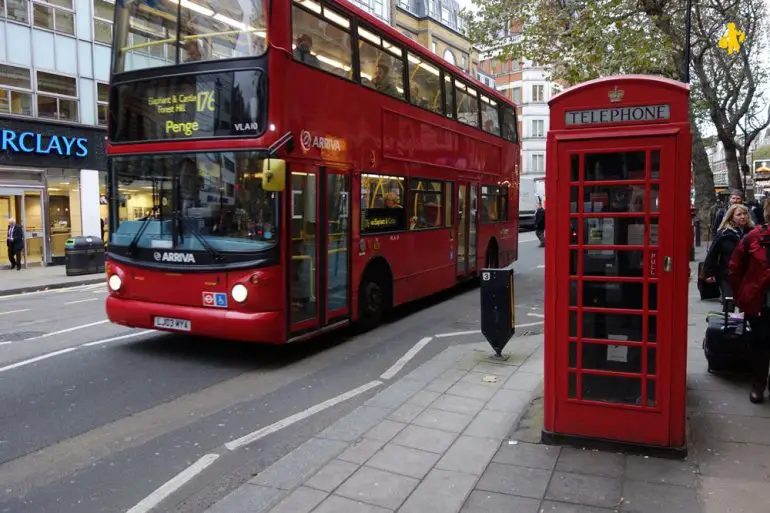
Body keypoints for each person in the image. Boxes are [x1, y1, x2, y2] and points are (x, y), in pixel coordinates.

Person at [728, 199, 770, 403]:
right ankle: (759, 383)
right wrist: (741, 295)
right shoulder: (753, 238)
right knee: (760, 342)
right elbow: (735, 268)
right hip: (759, 300)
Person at [704, 203, 753, 299]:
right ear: (731, 217)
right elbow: (712, 254)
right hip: (727, 274)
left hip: (747, 274)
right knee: (729, 301)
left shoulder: (753, 232)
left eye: (745, 214)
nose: (743, 217)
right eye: (739, 215)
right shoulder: (724, 234)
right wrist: (709, 273)